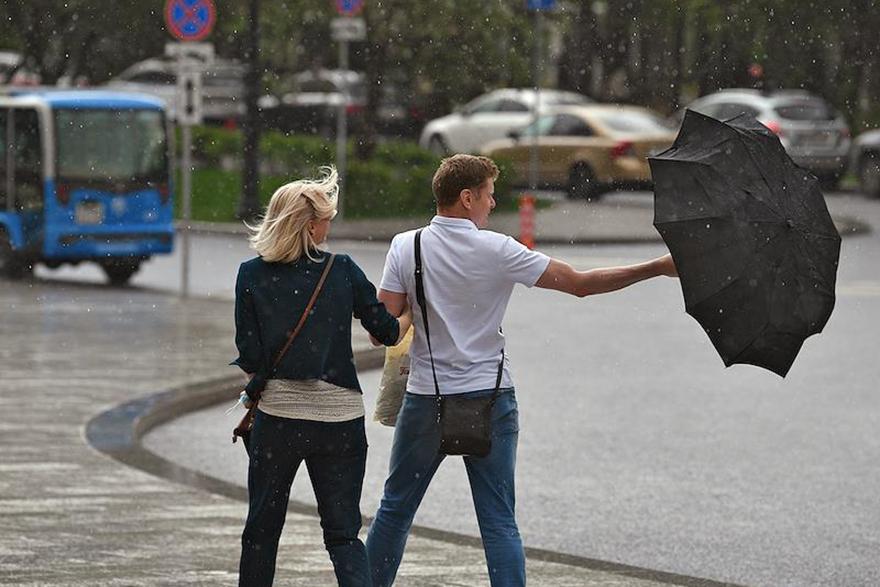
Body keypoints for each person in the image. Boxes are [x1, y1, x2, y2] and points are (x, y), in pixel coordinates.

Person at [365, 154, 677, 586]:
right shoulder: (500, 250)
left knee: (395, 510)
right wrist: (656, 268)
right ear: (467, 197)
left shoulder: (406, 246)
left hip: (426, 400)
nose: (493, 204)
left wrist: (410, 315)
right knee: (498, 521)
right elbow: (580, 284)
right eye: (489, 195)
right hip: (490, 398)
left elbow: (382, 329)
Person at [233, 166, 411, 587]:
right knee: (343, 534)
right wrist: (410, 315)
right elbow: (386, 332)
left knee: (261, 532)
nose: (330, 225)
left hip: (278, 423)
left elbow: (250, 357)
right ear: (310, 226)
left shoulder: (251, 275)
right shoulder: (341, 270)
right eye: (326, 218)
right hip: (340, 423)